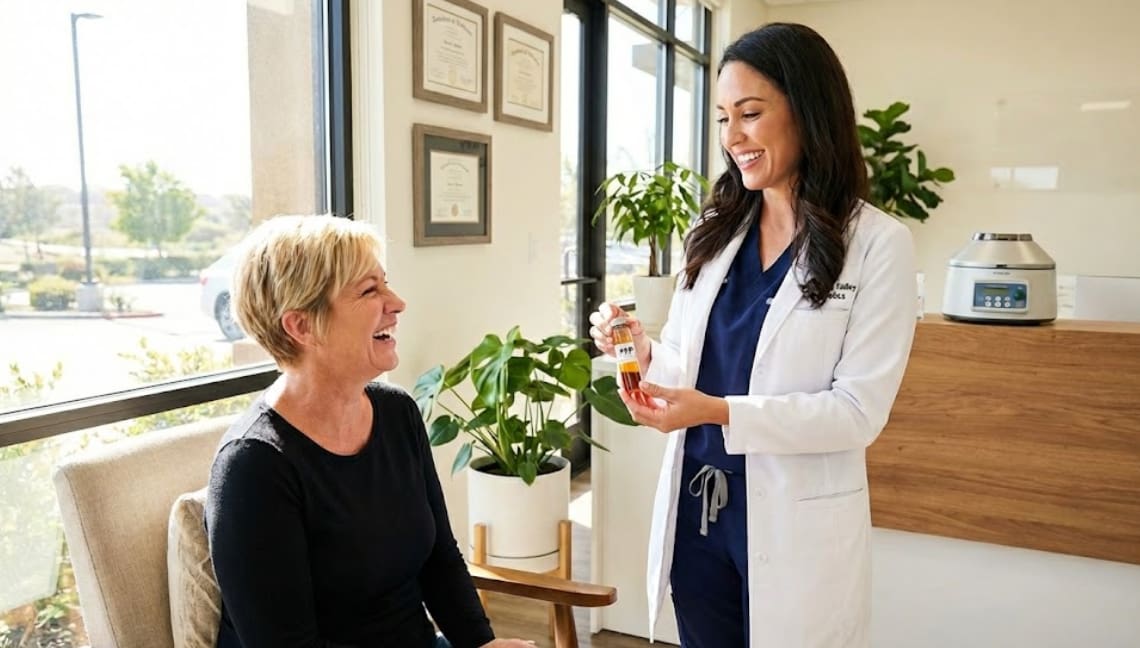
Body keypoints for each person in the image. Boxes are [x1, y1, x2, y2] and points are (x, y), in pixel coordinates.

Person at [589, 23, 917, 648]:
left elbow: (855, 414)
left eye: (750, 113)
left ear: (808, 111)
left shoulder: (877, 245)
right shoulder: (714, 233)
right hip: (699, 514)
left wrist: (716, 411)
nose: (731, 137)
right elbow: (691, 363)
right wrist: (641, 348)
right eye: (722, 118)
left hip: (795, 525)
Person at [205, 215, 533, 648]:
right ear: (301, 326)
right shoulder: (253, 467)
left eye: (386, 283)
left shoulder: (397, 413)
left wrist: (481, 644)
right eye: (369, 290)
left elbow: (439, 559)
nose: (397, 303)